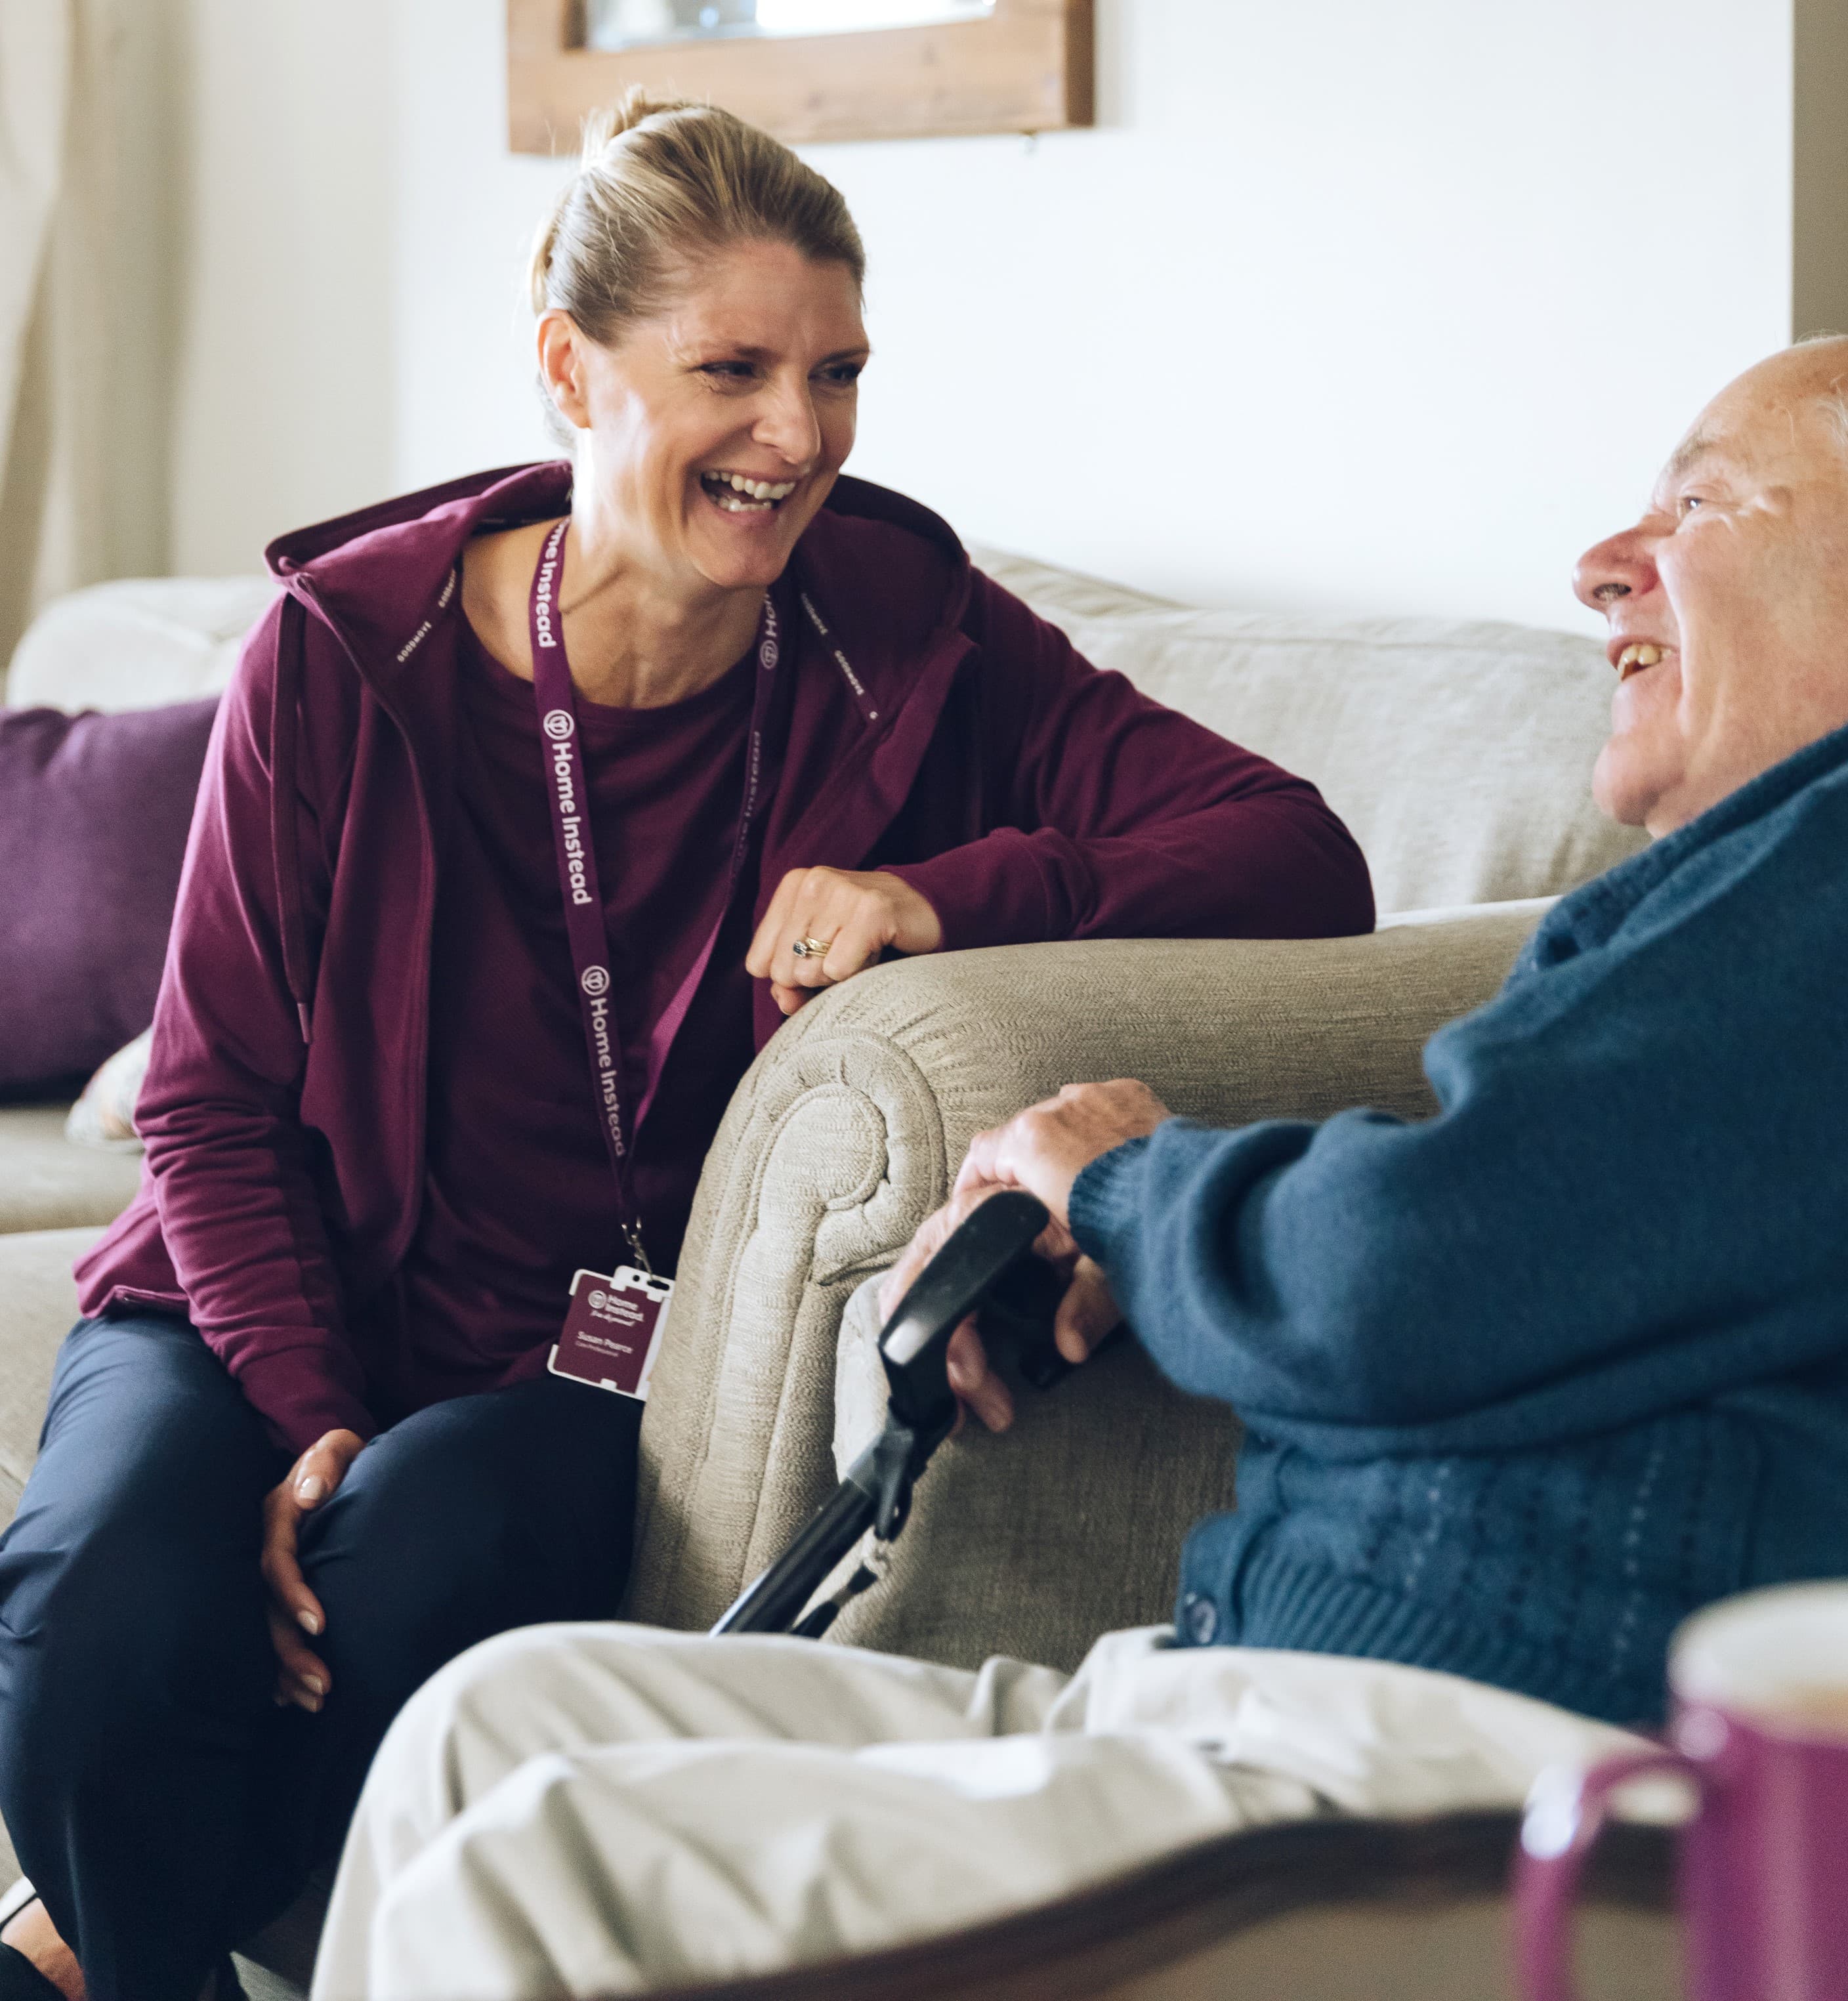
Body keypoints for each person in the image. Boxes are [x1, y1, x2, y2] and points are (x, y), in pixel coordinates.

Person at [308, 326, 1848, 2001]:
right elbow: (1553, 1224)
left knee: (548, 1858)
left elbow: (1413, 1271)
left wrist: (1128, 1186)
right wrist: (1160, 1230)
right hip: (1268, 1689)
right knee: (490, 1725)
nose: (1606, 563)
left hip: (1496, 1769)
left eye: (1699, 504)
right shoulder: (1766, 903)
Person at [0, 95, 1373, 2001]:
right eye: (731, 369)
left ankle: (76, 1943)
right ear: (572, 368)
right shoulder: (345, 654)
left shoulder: (910, 633)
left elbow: (1300, 854)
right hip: (261, 1300)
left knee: (414, 1562)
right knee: (99, 1634)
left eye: (838, 371)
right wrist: (307, 1410)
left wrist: (954, 892)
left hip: (576, 1363)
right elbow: (213, 1104)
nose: (797, 435)